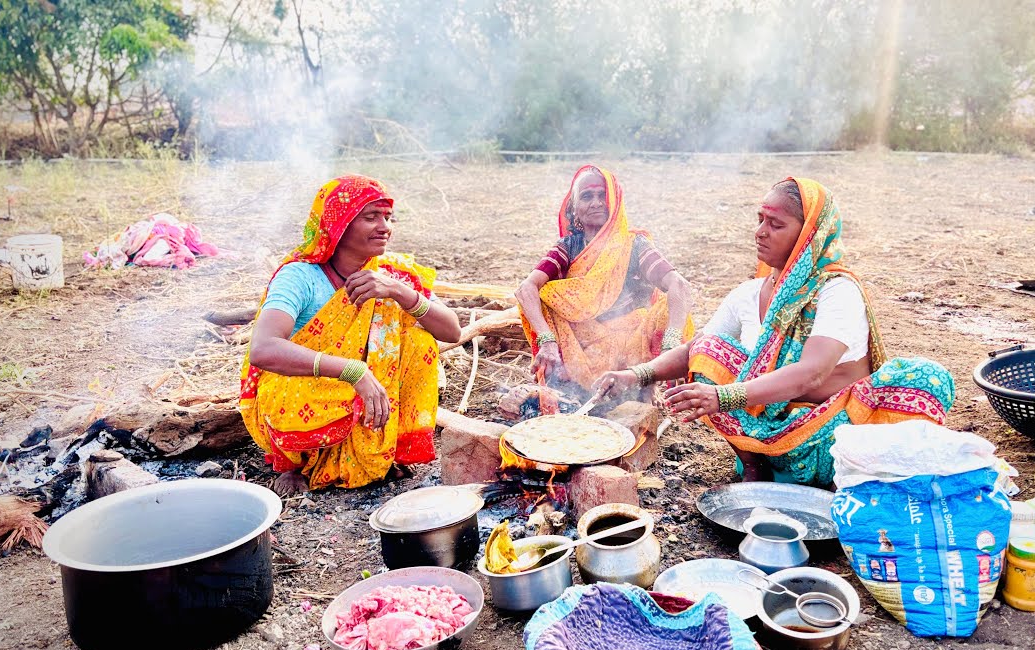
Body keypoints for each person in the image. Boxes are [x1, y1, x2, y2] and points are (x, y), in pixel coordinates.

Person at [593, 177, 954, 487]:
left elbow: (812, 372)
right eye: (760, 219)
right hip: (768, 437)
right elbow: (693, 351)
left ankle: (802, 473)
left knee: (926, 379)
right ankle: (754, 468)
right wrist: (633, 376)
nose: (760, 232)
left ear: (809, 235)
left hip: (830, 439)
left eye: (776, 224)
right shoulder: (749, 293)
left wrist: (723, 397)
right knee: (709, 350)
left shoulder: (836, 291)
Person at [240, 175, 461, 495]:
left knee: (419, 340)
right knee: (292, 377)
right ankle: (292, 461)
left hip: (368, 394)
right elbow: (262, 349)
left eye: (388, 217)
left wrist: (400, 292)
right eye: (371, 217)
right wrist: (352, 369)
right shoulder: (301, 276)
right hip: (308, 394)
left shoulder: (393, 273)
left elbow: (451, 331)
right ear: (338, 224)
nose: (384, 226)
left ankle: (380, 446)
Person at [515, 165, 694, 393]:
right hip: (581, 349)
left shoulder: (634, 246)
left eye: (604, 195)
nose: (597, 202)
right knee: (542, 296)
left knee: (667, 308)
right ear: (574, 208)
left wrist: (671, 344)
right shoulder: (569, 248)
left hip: (631, 349)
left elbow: (678, 284)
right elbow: (525, 288)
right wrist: (547, 340)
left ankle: (644, 388)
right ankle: (570, 381)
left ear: (616, 202)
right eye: (587, 196)